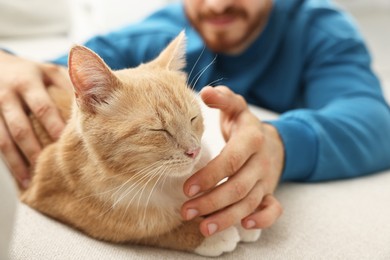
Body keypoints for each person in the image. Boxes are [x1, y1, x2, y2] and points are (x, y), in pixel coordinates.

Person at [1, 0, 390, 238]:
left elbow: (375, 120)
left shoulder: (321, 29)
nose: (217, 4)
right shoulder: (166, 31)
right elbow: (60, 73)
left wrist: (281, 143)